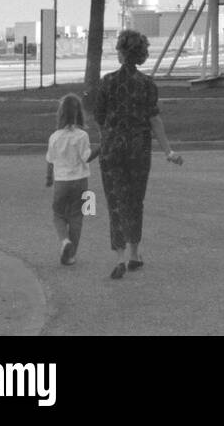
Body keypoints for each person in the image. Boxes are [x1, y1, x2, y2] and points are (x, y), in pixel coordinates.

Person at [92, 29, 183, 280]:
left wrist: (108, 135)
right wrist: (168, 151)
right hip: (138, 151)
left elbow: (99, 116)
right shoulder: (147, 85)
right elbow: (155, 120)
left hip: (111, 151)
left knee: (116, 202)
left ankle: (119, 257)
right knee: (135, 201)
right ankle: (134, 253)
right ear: (141, 55)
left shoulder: (107, 82)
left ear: (121, 53)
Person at [45, 93, 99, 266]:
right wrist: (101, 148)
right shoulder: (82, 135)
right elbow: (87, 157)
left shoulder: (54, 137)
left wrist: (48, 178)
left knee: (58, 215)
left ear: (60, 114)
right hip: (81, 181)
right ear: (79, 114)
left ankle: (64, 241)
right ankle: (71, 254)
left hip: (61, 182)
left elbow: (50, 160)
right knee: (78, 216)